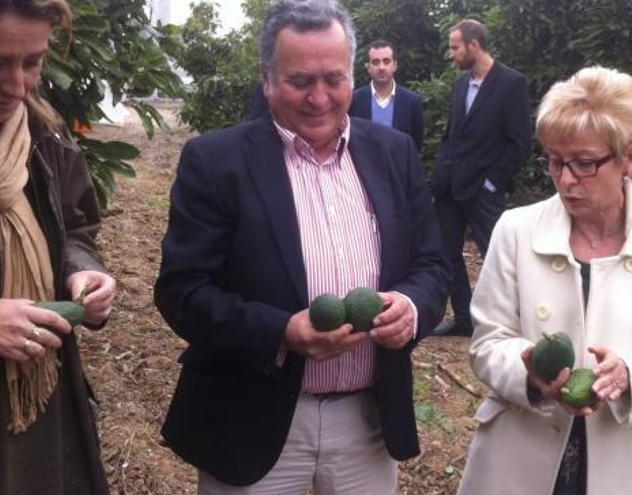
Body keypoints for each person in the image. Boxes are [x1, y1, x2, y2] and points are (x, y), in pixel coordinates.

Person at [154, 0, 449, 493]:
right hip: (254, 420)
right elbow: (183, 292)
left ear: (352, 74)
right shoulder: (216, 162)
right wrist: (280, 332)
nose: (319, 98)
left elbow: (433, 263)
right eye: (299, 81)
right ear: (267, 78)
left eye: (333, 79)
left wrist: (413, 307)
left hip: (368, 421)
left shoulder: (393, 154)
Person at [457, 66, 632, 495]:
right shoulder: (516, 229)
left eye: (583, 164)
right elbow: (486, 342)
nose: (565, 180)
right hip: (520, 459)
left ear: (629, 158)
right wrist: (531, 375)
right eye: (555, 161)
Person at [0, 1, 117, 493]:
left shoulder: (44, 133)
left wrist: (82, 270)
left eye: (33, 61)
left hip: (40, 404)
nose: (18, 86)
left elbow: (76, 226)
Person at [431, 19, 532, 337]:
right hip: (450, 189)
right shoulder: (461, 84)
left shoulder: (511, 83)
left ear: (474, 45)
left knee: (497, 255)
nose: (452, 53)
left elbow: (519, 144)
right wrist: (438, 178)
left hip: (483, 191)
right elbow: (452, 136)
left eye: (455, 46)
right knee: (447, 254)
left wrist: (492, 183)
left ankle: (511, 321)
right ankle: (464, 319)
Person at [348, 39, 424, 152]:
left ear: (395, 65)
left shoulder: (412, 102)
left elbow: (416, 145)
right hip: (363, 168)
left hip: (399, 168)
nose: (381, 67)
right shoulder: (354, 100)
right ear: (368, 67)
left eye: (386, 61)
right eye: (375, 62)